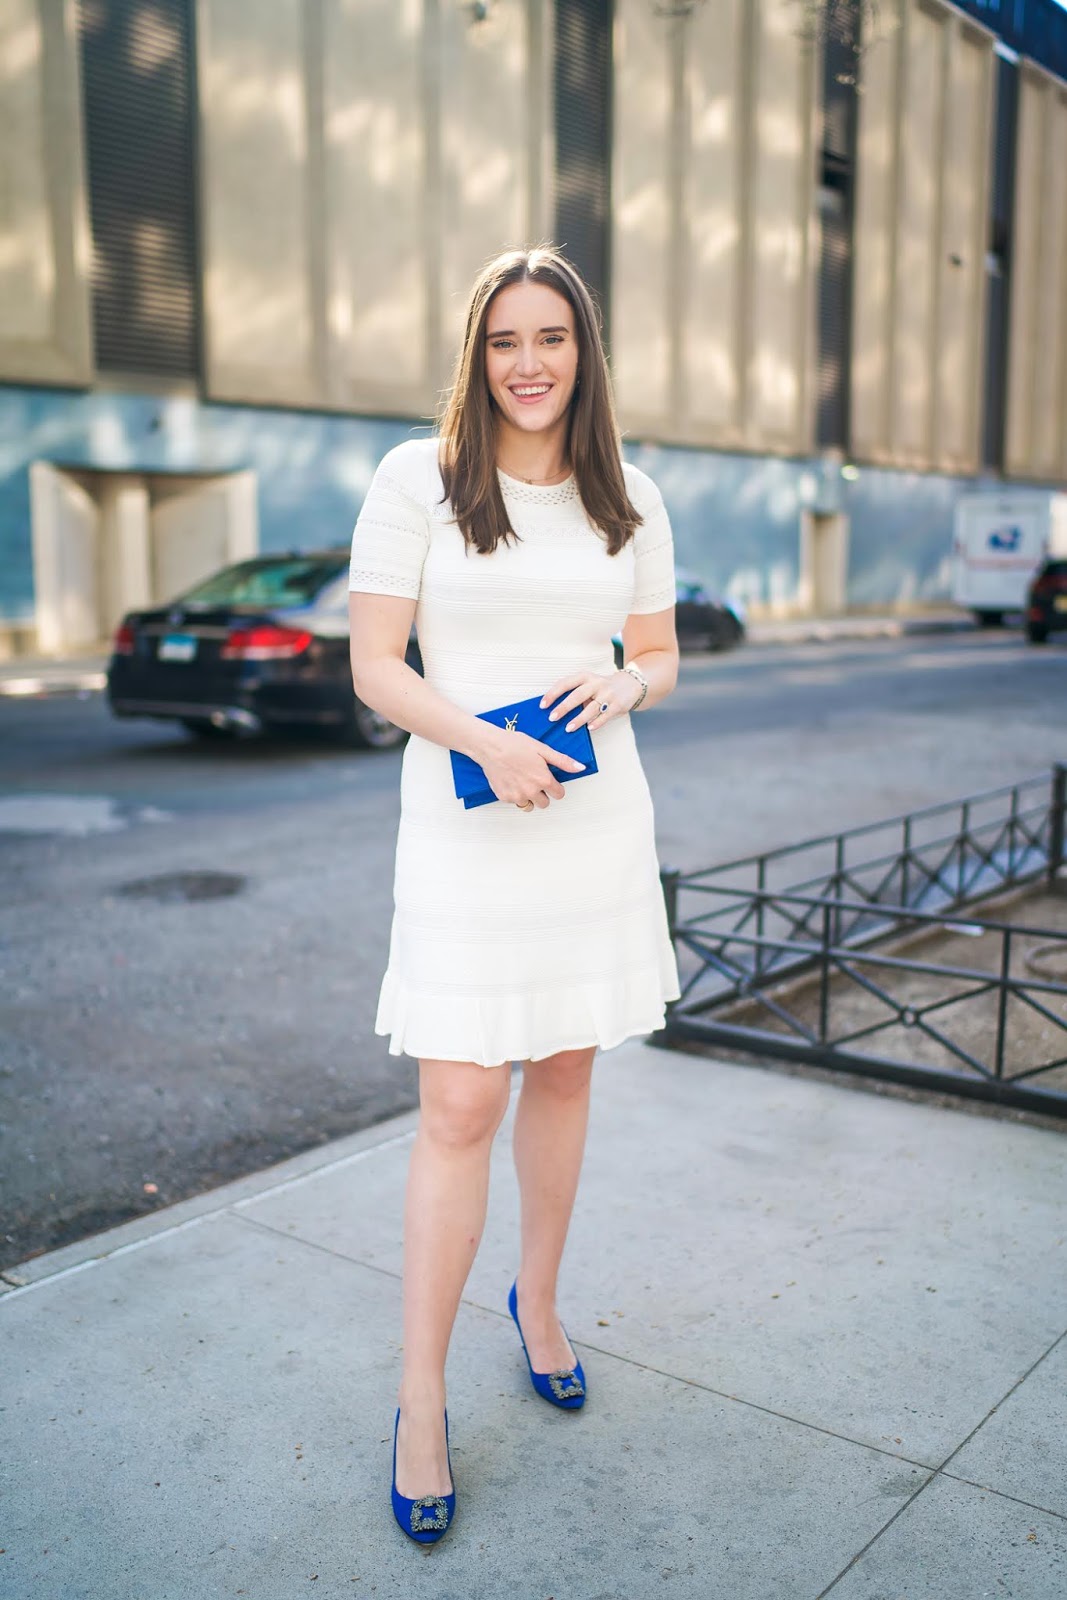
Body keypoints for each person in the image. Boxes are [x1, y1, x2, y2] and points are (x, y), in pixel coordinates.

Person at [347, 245, 680, 1543]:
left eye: (552, 337)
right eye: (504, 340)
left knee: (565, 1070)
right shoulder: (418, 481)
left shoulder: (630, 494)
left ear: (585, 353)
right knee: (459, 1097)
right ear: (475, 355)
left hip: (596, 822)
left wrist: (632, 685)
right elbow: (378, 664)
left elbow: (655, 652)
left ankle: (537, 1302)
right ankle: (419, 1397)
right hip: (468, 824)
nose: (529, 363)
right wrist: (484, 741)